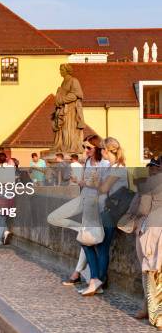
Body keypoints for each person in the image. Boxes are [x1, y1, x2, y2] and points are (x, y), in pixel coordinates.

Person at [47, 134, 107, 287]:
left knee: (85, 240)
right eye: (84, 147)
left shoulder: (104, 163)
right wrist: (80, 182)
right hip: (83, 198)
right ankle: (80, 229)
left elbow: (103, 187)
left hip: (96, 203)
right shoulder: (87, 161)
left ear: (97, 148)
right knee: (53, 217)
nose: (85, 150)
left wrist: (83, 182)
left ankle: (77, 273)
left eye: (88, 147)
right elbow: (86, 183)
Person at [80, 137, 128, 296]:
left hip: (111, 213)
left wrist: (90, 183)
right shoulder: (111, 167)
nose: (100, 152)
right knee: (91, 244)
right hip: (102, 210)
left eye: (102, 149)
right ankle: (96, 280)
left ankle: (96, 280)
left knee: (98, 245)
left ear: (107, 150)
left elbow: (104, 187)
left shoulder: (118, 168)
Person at [128, 158, 162, 327]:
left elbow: (141, 209)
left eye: (154, 167)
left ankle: (152, 311)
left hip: (151, 228)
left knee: (148, 270)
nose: (151, 170)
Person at [0, 152, 16, 246]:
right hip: (6, 194)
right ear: (5, 159)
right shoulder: (9, 169)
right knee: (2, 218)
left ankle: (5, 232)